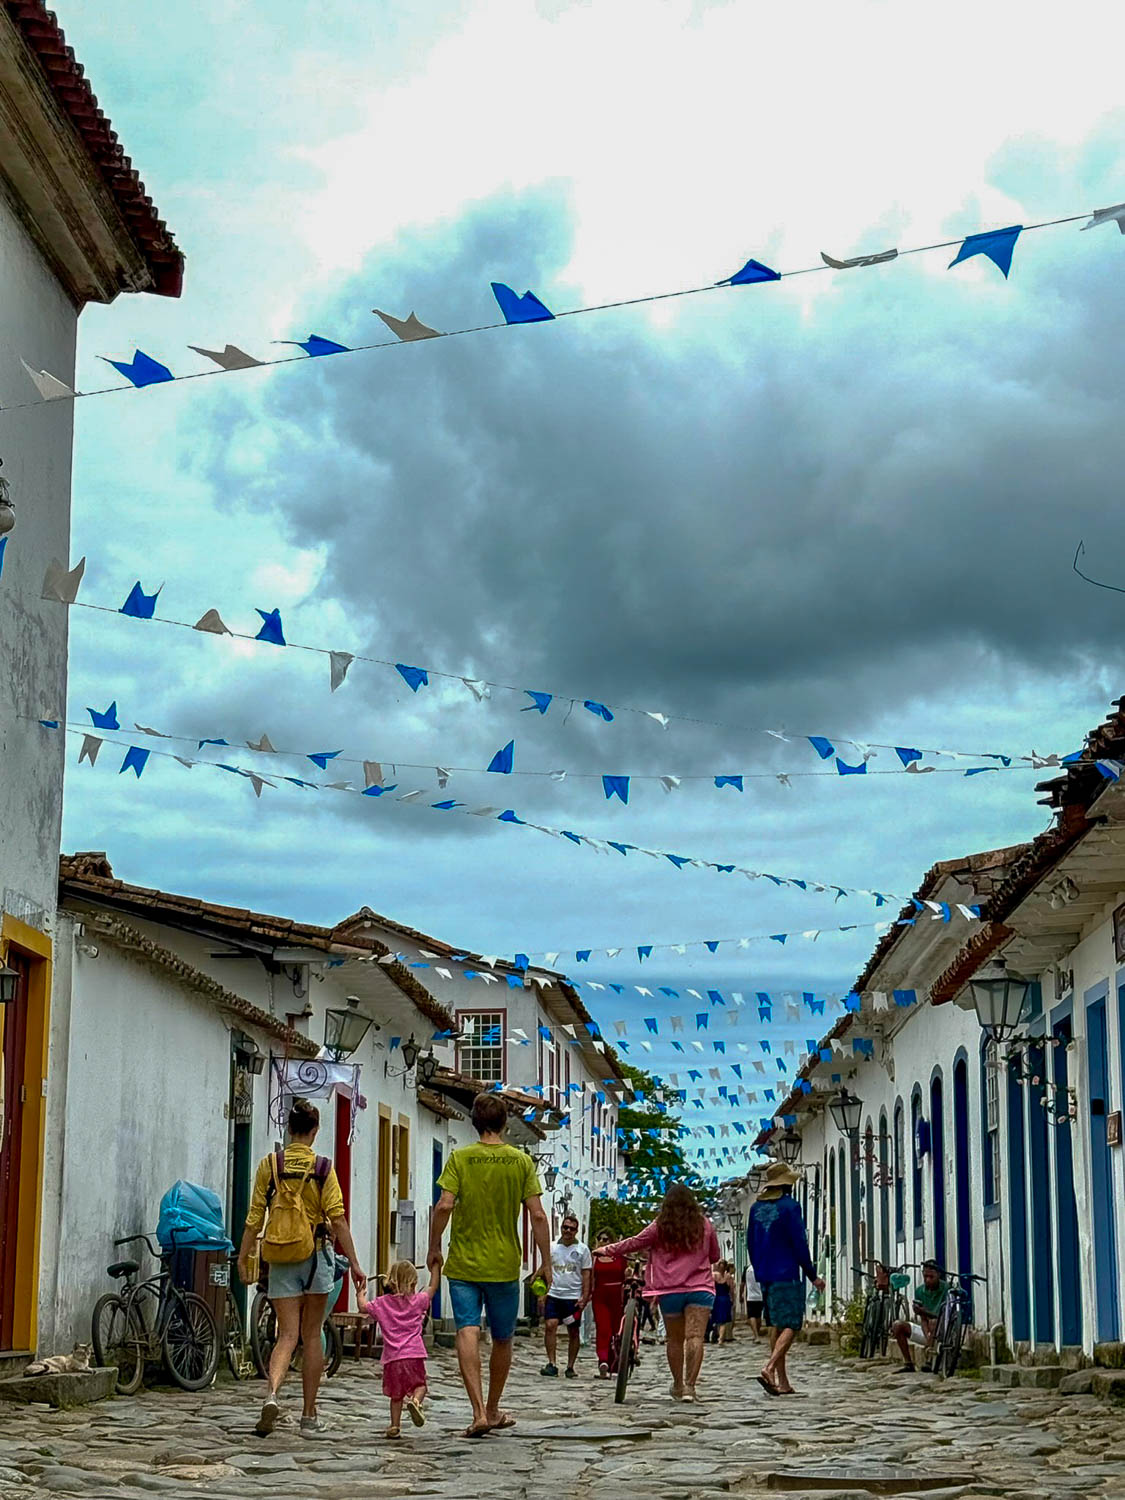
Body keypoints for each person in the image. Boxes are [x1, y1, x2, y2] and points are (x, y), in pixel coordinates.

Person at [238, 1098, 366, 1439]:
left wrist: (243, 1256)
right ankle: (309, 1414)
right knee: (312, 1336)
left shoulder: (270, 1165)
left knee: (286, 1335)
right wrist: (354, 1264)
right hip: (317, 1256)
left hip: (280, 1257)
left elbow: (254, 1218)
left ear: (289, 1128)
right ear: (314, 1131)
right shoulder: (323, 1168)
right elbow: (337, 1219)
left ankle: (272, 1395)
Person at [428, 1092, 552, 1438]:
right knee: (502, 1338)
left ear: (474, 1122)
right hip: (503, 1264)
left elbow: (443, 1206)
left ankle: (478, 1410)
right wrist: (545, 1261)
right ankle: (495, 1408)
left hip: (465, 1262)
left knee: (467, 1329)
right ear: (505, 1123)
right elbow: (538, 1214)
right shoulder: (521, 1162)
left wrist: (434, 1245)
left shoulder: (460, 1158)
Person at [595, 1183, 720, 1402]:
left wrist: (608, 1249)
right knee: (695, 1336)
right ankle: (690, 1388)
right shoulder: (705, 1225)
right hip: (700, 1288)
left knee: (674, 1339)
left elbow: (635, 1242)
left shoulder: (660, 1225)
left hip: (670, 1290)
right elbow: (715, 1256)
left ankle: (678, 1385)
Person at [747, 1160, 825, 1398]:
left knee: (775, 1325)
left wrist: (759, 1269)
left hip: (765, 1275)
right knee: (792, 1323)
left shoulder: (755, 1210)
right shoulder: (790, 1207)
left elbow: (751, 1242)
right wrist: (812, 1275)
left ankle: (783, 1381)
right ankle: (769, 1367)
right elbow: (799, 1243)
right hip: (787, 1273)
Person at [362, 1258, 441, 1438]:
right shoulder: (418, 1301)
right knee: (420, 1386)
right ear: (413, 1283)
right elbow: (433, 1288)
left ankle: (394, 1426)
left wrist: (360, 1293)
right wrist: (436, 1267)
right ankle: (415, 1401)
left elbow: (362, 1307)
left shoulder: (381, 1303)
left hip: (392, 1358)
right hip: (413, 1355)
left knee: (395, 1395)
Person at [541, 1213, 593, 1377]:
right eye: (565, 1227)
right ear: (561, 1228)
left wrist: (584, 1297)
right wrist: (542, 1292)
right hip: (554, 1294)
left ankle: (570, 1366)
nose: (568, 1231)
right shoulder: (552, 1247)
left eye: (571, 1228)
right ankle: (552, 1362)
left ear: (576, 1231)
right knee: (550, 1326)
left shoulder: (582, 1250)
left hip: (572, 1297)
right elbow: (546, 1268)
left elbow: (586, 1274)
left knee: (573, 1331)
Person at [891, 1259, 948, 1373]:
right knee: (897, 1325)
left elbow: (943, 1316)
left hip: (943, 1330)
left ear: (938, 1275)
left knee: (934, 1322)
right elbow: (923, 1320)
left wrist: (925, 1312)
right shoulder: (919, 1291)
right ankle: (908, 1363)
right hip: (927, 1330)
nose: (928, 1280)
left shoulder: (947, 1289)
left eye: (931, 1277)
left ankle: (930, 1360)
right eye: (925, 1276)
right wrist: (928, 1337)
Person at [590, 1229, 627, 1377]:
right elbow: (591, 1278)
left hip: (617, 1295)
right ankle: (603, 1360)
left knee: (616, 1330)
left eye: (606, 1239)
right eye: (600, 1238)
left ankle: (616, 1361)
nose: (603, 1241)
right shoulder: (595, 1258)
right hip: (600, 1295)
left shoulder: (619, 1258)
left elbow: (625, 1276)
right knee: (603, 1328)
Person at [708, 1261, 735, 1344]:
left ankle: (718, 1336)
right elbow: (731, 1290)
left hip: (717, 1299)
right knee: (723, 1321)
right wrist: (732, 1300)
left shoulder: (714, 1276)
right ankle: (721, 1338)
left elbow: (711, 1288)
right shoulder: (729, 1277)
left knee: (717, 1319)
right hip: (725, 1299)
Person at [741, 1260, 764, 1338]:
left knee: (752, 1316)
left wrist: (741, 1294)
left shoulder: (747, 1269)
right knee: (758, 1316)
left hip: (750, 1297)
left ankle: (756, 1335)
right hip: (761, 1296)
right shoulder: (762, 1268)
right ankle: (757, 1332)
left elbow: (742, 1283)